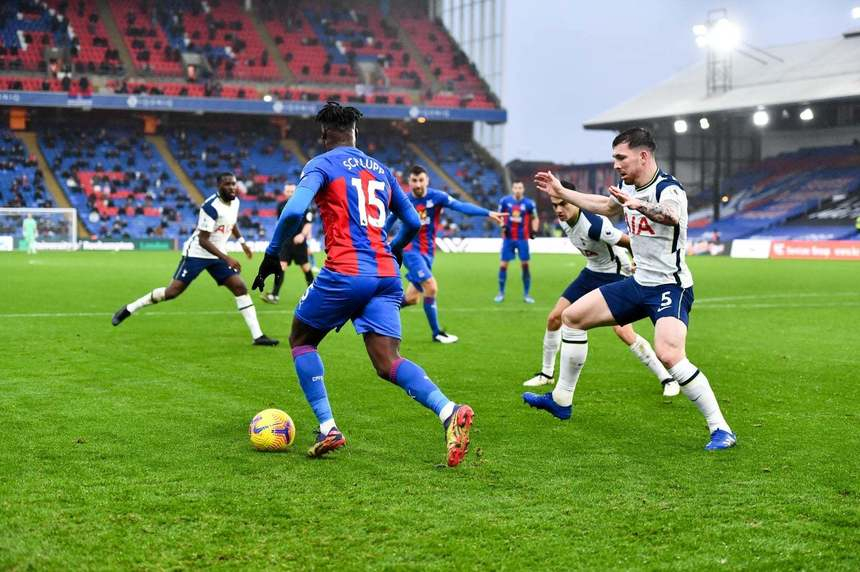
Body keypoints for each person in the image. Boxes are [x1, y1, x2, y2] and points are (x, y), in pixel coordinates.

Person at [252, 102, 474, 466]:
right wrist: (393, 249)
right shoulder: (382, 170)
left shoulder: (321, 164)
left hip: (345, 271)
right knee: (388, 361)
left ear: (324, 135)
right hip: (386, 275)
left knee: (301, 339)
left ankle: (328, 428)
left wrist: (272, 255)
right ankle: (448, 411)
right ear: (356, 134)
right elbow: (413, 223)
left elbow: (293, 211)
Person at [528, 127, 736, 451]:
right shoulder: (627, 185)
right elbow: (608, 207)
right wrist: (563, 192)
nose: (616, 165)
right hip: (639, 283)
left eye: (620, 157)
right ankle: (561, 400)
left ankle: (721, 429)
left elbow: (671, 216)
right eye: (614, 158)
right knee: (571, 317)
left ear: (643, 156)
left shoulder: (669, 188)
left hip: (670, 286)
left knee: (670, 354)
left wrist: (639, 206)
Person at [522, 194, 680, 399]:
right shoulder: (564, 220)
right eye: (555, 206)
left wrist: (637, 263)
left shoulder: (594, 226)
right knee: (554, 318)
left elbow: (629, 242)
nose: (559, 209)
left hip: (614, 275)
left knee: (623, 332)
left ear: (575, 202)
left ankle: (667, 378)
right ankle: (546, 374)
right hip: (591, 272)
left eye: (563, 203)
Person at [112, 172, 279, 347]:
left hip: (218, 254)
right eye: (227, 184)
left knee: (240, 287)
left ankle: (258, 336)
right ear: (219, 186)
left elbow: (231, 222)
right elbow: (203, 240)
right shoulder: (210, 207)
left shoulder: (235, 202)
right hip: (197, 254)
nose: (232, 187)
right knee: (172, 292)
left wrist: (242, 242)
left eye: (234, 184)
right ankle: (130, 308)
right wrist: (227, 258)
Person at [386, 165, 507, 343]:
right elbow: (389, 222)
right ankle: (437, 333)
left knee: (412, 298)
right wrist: (376, 240)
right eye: (414, 180)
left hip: (428, 253)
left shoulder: (437, 197)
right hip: (411, 252)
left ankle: (382, 310)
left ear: (427, 180)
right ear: (409, 182)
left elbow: (461, 206)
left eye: (421, 180)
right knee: (431, 287)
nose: (418, 184)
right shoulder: (403, 200)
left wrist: (487, 213)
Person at [261, 183, 315, 304]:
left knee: (306, 268)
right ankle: (274, 295)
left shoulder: (304, 205)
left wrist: (302, 235)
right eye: (288, 191)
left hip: (299, 243)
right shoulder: (281, 205)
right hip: (285, 242)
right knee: (281, 267)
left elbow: (308, 223)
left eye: (292, 191)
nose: (290, 193)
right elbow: (279, 224)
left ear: (296, 192)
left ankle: (315, 294)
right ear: (284, 192)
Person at [496, 181, 539, 303]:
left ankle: (527, 294)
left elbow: (535, 218)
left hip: (522, 238)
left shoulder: (529, 203)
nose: (518, 190)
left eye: (520, 187)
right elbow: (498, 216)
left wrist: (534, 231)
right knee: (503, 265)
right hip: (508, 238)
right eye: (515, 187)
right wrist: (502, 225)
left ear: (523, 189)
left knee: (525, 265)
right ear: (513, 189)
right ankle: (501, 293)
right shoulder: (504, 201)